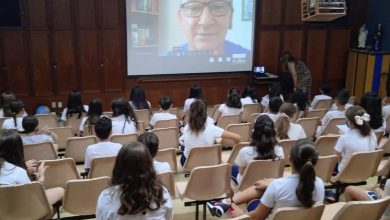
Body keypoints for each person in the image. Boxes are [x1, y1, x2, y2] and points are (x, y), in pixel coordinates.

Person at [211, 139, 324, 219]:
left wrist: (241, 215)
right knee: (263, 187)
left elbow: (256, 217)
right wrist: (274, 183)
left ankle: (225, 203)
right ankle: (223, 203)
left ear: (289, 159)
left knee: (259, 190)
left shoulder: (277, 186)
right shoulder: (320, 184)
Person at [96, 141, 173, 220]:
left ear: (119, 167)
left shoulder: (107, 197)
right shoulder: (161, 193)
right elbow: (168, 217)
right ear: (149, 167)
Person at [0, 129, 64, 208]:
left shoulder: (17, 170)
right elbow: (33, 196)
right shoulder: (18, 172)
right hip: (19, 209)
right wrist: (40, 178)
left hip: (4, 210)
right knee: (60, 191)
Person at [170, 0, 250, 56]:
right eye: (193, 8)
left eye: (218, 7)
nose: (205, 22)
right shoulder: (166, 63)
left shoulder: (250, 58)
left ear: (231, 17)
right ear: (180, 18)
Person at [179, 100, 241, 165]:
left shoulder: (185, 129)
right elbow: (237, 137)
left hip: (188, 163)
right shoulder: (212, 128)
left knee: (184, 147)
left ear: (190, 113)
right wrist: (235, 148)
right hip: (208, 161)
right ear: (206, 112)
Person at [233, 115, 284, 184]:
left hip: (248, 185)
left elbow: (241, 173)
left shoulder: (245, 151)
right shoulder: (280, 150)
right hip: (269, 183)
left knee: (232, 168)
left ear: (254, 132)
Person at [334, 105, 377, 173]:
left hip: (345, 173)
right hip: (365, 171)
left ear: (350, 122)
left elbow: (336, 158)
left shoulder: (344, 138)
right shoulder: (372, 134)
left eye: (347, 119)